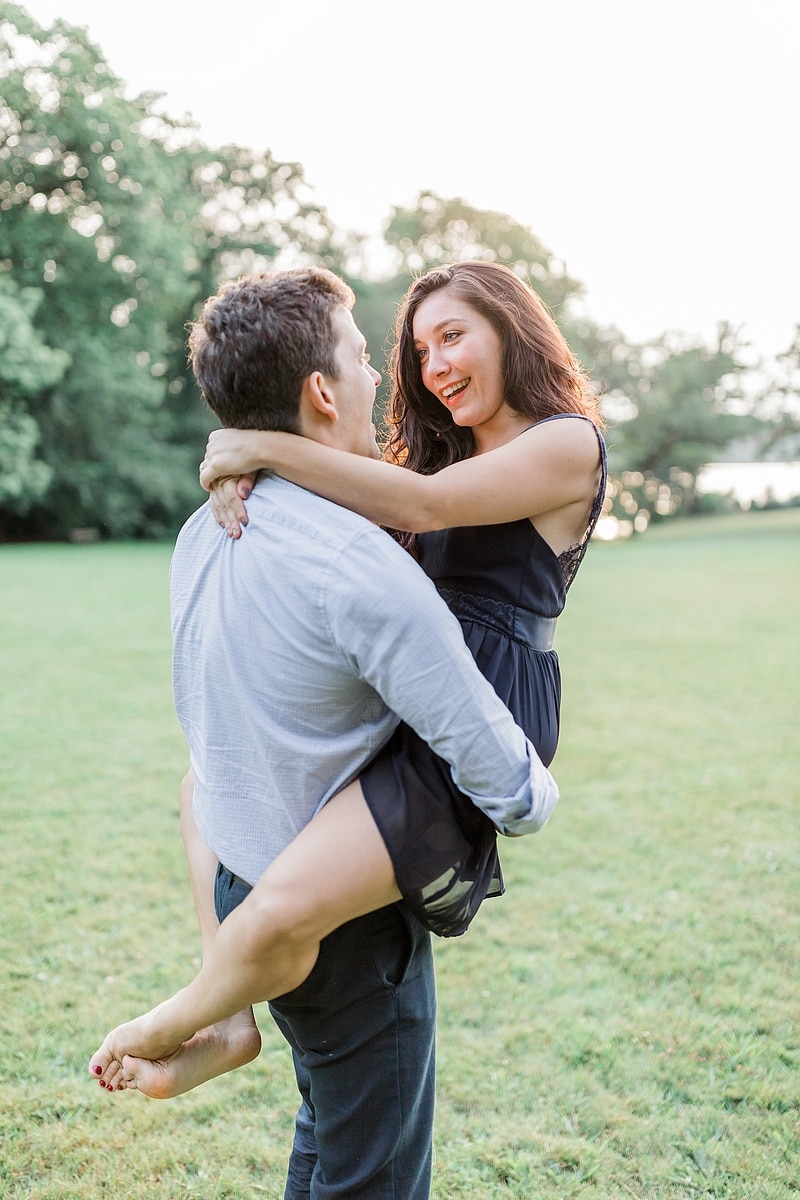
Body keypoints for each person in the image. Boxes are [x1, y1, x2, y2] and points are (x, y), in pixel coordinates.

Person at [89, 266, 560, 1200]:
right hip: (343, 918)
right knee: (372, 1169)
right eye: (366, 355)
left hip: (243, 869)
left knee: (329, 1127)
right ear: (320, 389)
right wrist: (532, 797)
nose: (390, 376)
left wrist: (247, 451)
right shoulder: (363, 564)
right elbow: (491, 762)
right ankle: (206, 1009)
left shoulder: (206, 529)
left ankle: (220, 1007)